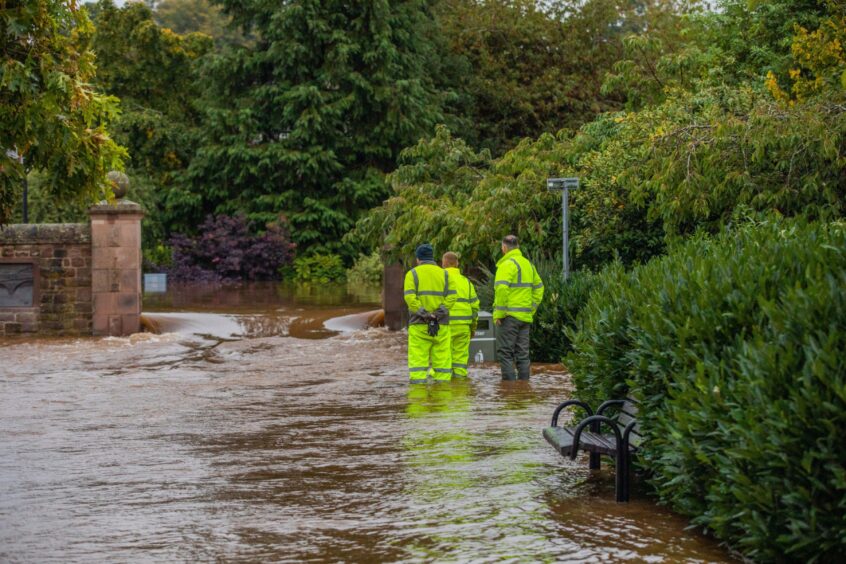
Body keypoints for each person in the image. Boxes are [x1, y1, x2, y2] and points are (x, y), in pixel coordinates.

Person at [493, 235, 544, 380]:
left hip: (508, 317)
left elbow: (502, 289)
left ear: (504, 248)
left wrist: (500, 314)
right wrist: (531, 309)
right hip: (525, 318)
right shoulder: (528, 264)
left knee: (505, 353)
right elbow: (539, 288)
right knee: (522, 355)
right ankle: (523, 389)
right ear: (518, 246)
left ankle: (510, 392)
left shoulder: (506, 264)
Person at [404, 243, 457, 382]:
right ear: (433, 258)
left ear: (418, 259)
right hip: (441, 326)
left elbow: (409, 298)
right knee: (443, 367)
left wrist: (425, 314)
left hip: (419, 326)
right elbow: (452, 296)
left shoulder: (412, 274)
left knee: (418, 367)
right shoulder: (445, 274)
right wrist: (438, 314)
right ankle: (442, 399)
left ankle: (418, 400)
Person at [441, 251, 479, 378]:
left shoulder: (440, 280)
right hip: (464, 327)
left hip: (445, 326)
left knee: (443, 360)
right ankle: (461, 391)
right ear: (457, 264)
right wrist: (473, 328)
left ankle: (444, 393)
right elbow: (474, 308)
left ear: (443, 264)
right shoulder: (467, 283)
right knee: (460, 363)